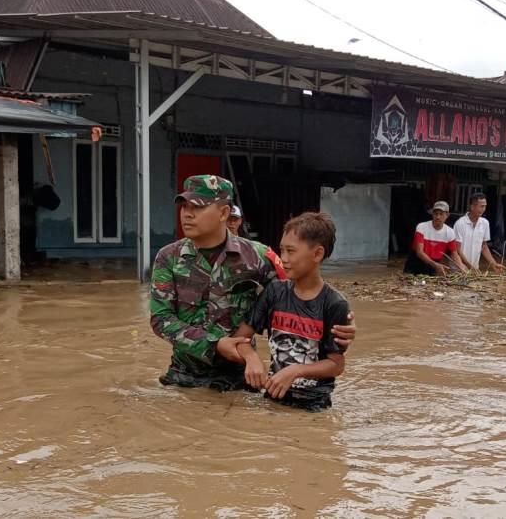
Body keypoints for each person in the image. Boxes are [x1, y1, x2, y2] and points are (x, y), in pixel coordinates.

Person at [150, 175, 355, 391]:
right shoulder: (168, 257)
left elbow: (298, 296)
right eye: (184, 206)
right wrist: (215, 344)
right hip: (183, 377)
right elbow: (160, 320)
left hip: (241, 378)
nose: (187, 214)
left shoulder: (258, 257)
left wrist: (342, 322)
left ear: (223, 213)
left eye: (198, 207)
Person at [217, 212, 349, 412]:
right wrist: (251, 357)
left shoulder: (334, 304)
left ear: (317, 254)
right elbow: (239, 339)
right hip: (273, 397)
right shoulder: (274, 292)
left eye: (291, 251)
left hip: (314, 404)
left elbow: (336, 365)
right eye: (281, 250)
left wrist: (296, 371)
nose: (283, 259)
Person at [403, 201, 466, 276]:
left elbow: (454, 254)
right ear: (432, 214)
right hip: (416, 262)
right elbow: (419, 252)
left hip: (433, 264)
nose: (438, 217)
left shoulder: (450, 232)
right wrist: (436, 265)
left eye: (441, 214)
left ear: (447, 215)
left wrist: (463, 269)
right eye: (436, 214)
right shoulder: (421, 227)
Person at [454, 193, 505, 274]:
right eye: (481, 206)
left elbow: (484, 246)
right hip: (459, 269)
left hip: (473, 269)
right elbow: (457, 249)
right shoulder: (460, 223)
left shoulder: (485, 223)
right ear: (472, 207)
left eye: (484, 206)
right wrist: (470, 267)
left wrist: (493, 264)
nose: (483, 209)